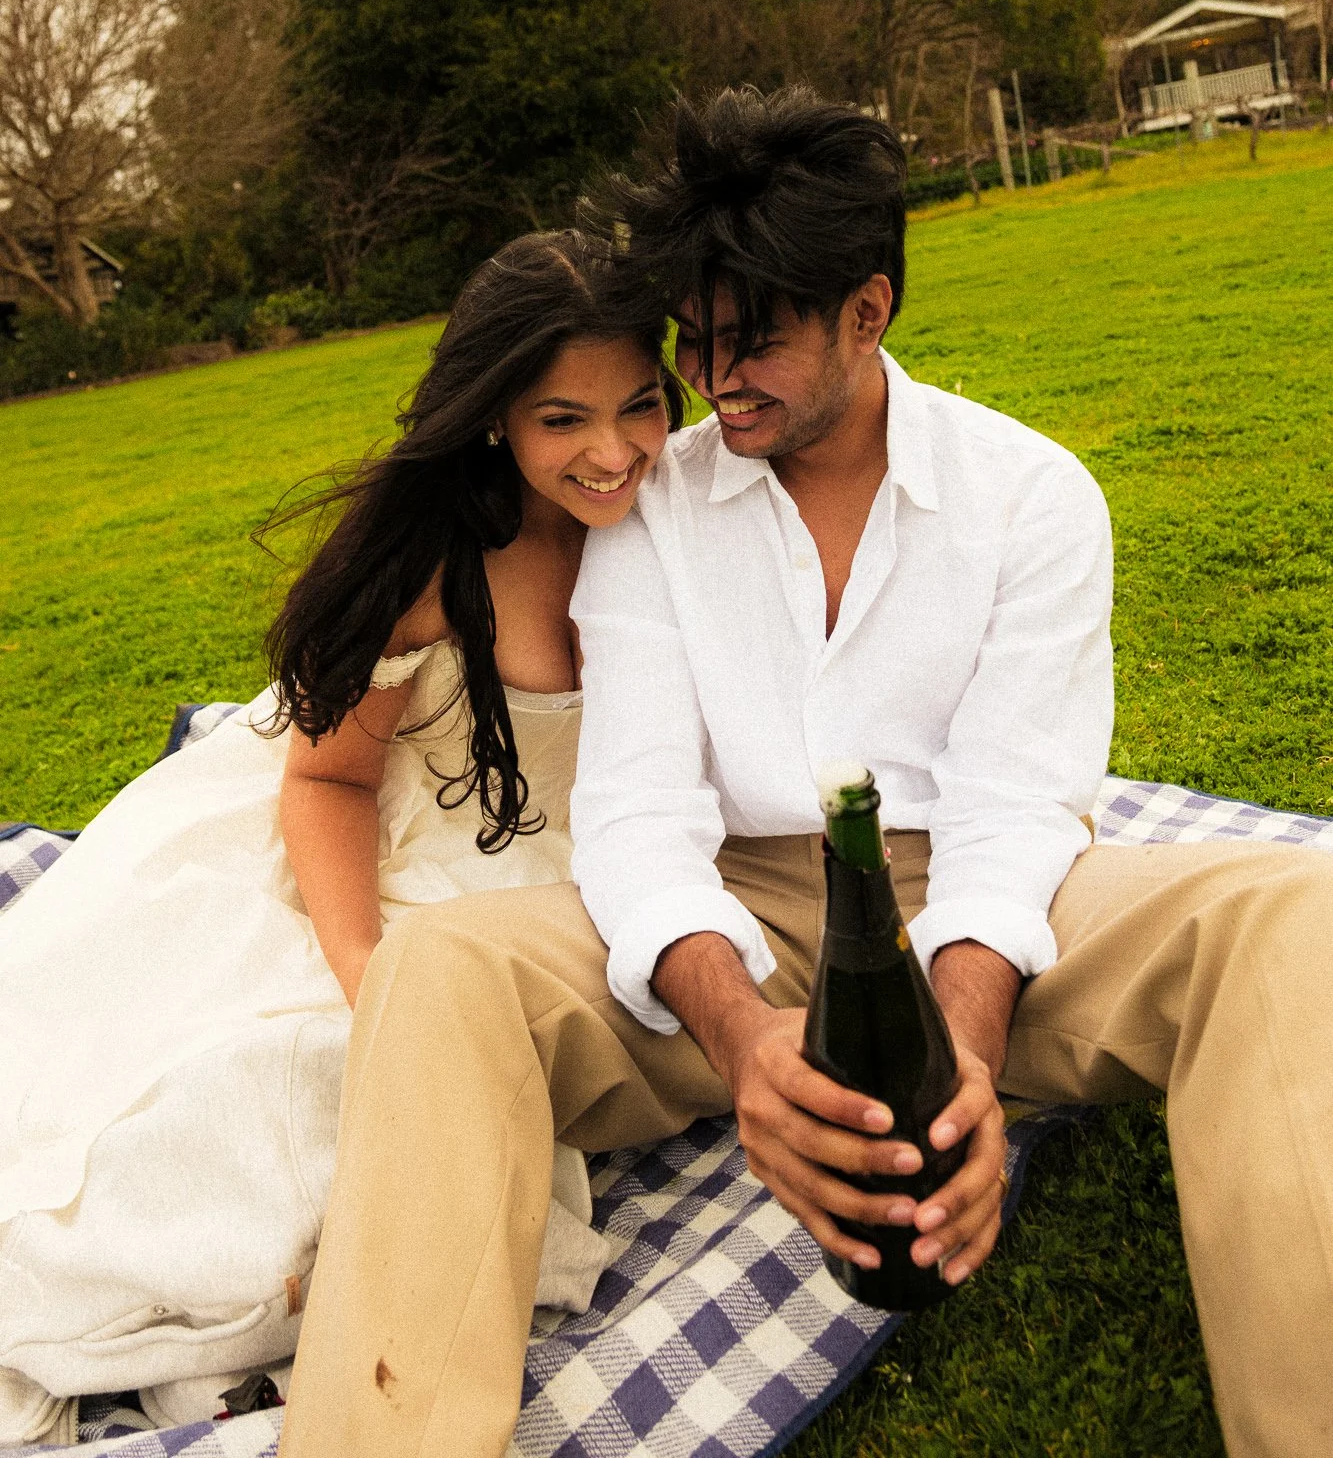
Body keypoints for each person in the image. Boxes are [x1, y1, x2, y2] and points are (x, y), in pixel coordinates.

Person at [281, 89, 1333, 1458]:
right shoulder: (655, 507)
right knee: (441, 968)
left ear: (867, 310)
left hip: (974, 901)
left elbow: (1017, 811)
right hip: (741, 911)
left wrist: (955, 1048)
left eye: (755, 340)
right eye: (698, 339)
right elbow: (641, 812)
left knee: (1290, 914)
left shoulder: (1034, 496)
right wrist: (744, 1035)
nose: (717, 380)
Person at [0, 229, 680, 1448]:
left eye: (641, 403)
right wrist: (367, 971)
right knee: (252, 1083)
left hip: (558, 864)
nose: (612, 449)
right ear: (493, 422)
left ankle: (229, 1325)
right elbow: (325, 780)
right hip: (382, 840)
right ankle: (168, 1319)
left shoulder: (690, 516)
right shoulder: (437, 559)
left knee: (429, 1129)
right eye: (562, 417)